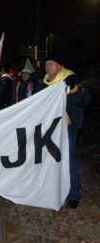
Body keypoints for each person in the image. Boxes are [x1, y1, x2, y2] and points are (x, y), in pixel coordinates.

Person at [43, 55, 91, 209]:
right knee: (52, 159)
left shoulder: (70, 79)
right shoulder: (45, 83)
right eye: (46, 64)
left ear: (59, 66)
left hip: (68, 127)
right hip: (52, 128)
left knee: (68, 158)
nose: (48, 67)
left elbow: (85, 100)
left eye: (51, 64)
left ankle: (74, 195)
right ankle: (53, 192)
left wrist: (74, 89)